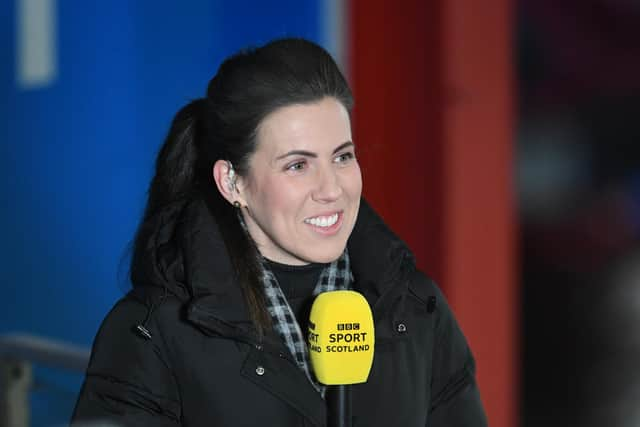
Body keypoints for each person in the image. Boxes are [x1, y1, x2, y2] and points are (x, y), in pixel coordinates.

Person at [71, 38, 488, 427]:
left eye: (342, 157)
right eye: (297, 165)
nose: (331, 189)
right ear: (233, 183)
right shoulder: (152, 330)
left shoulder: (416, 308)